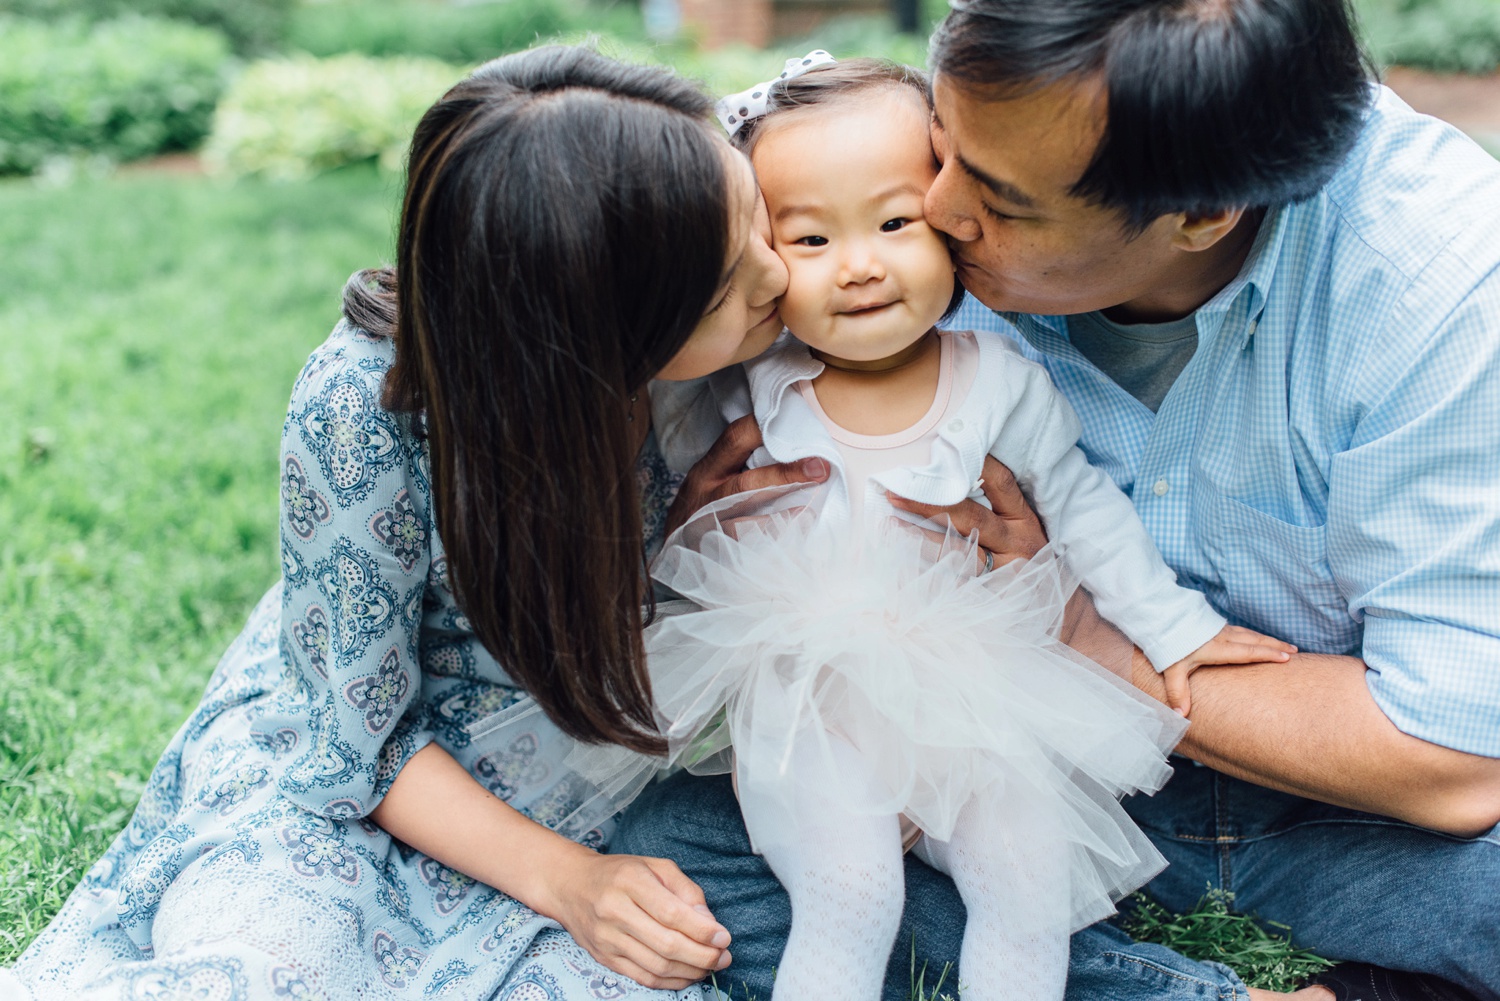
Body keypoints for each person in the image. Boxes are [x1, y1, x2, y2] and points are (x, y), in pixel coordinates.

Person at [613, 2, 1500, 1000]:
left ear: (1202, 212)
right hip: (985, 751)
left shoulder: (1438, 284)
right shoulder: (983, 137)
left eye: (997, 200)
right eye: (940, 150)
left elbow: (1451, 757)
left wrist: (1066, 620)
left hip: (1335, 808)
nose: (935, 214)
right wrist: (708, 530)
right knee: (685, 847)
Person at [1, 45, 822, 1001]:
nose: (779, 275)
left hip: (595, 730)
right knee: (272, 968)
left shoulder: (686, 217)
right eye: (724, 284)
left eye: (763, 221)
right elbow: (360, 743)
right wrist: (573, 882)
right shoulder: (365, 412)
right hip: (380, 775)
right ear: (591, 337)